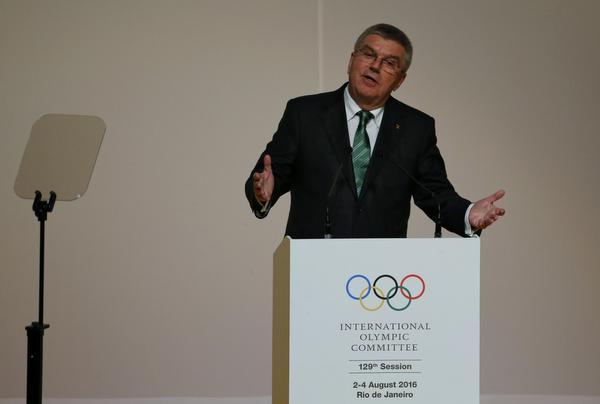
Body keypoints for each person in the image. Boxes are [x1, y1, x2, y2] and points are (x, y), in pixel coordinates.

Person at [245, 23, 504, 238]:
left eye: (389, 63)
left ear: (400, 80)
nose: (375, 66)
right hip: (311, 267)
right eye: (368, 54)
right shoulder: (305, 114)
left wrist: (468, 214)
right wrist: (265, 190)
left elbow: (436, 194)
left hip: (382, 278)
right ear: (351, 61)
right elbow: (268, 175)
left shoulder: (416, 128)